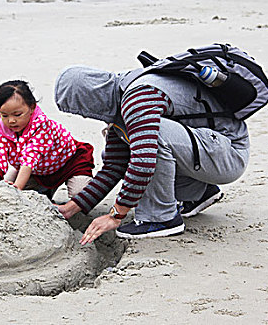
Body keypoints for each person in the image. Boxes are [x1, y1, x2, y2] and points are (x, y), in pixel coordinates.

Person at [54, 66, 249, 245]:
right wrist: (73, 206)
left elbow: (144, 162)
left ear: (91, 98)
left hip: (230, 153)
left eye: (81, 110)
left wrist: (116, 215)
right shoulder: (121, 97)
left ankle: (160, 218)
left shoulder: (137, 98)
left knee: (150, 140)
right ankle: (197, 193)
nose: (86, 116)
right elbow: (114, 166)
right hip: (209, 149)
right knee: (135, 142)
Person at [0, 80, 94, 199]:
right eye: (5, 115)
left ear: (32, 108)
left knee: (80, 194)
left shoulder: (42, 126)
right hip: (39, 170)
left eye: (17, 115)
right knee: (4, 184)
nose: (11, 121)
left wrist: (17, 189)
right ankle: (45, 189)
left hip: (69, 162)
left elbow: (30, 159)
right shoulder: (3, 129)